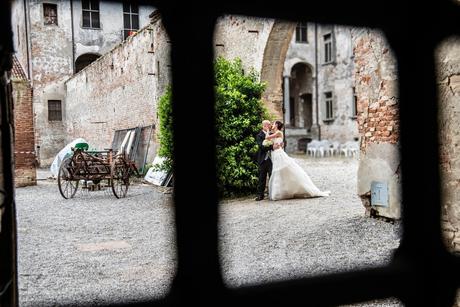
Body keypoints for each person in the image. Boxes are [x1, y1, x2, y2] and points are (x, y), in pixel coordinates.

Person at [266, 120, 330, 200]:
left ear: (277, 125)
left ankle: (278, 193)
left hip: (279, 154)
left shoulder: (279, 132)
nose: (272, 124)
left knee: (279, 170)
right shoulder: (275, 133)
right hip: (275, 154)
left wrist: (267, 129)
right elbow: (272, 141)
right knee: (280, 171)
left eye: (274, 123)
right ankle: (281, 192)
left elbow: (267, 137)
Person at [255, 120, 280, 201]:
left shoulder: (272, 134)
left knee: (272, 176)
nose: (270, 126)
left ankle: (272, 194)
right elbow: (261, 147)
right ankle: (260, 195)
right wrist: (271, 147)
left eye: (270, 125)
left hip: (271, 159)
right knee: (262, 177)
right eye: (269, 125)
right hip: (262, 159)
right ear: (264, 126)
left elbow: (278, 142)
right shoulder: (259, 135)